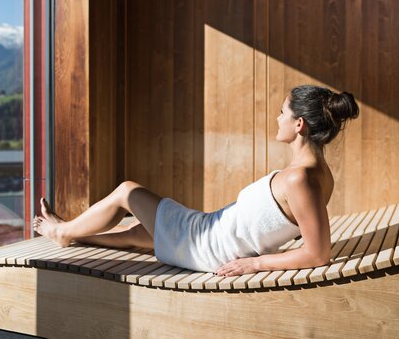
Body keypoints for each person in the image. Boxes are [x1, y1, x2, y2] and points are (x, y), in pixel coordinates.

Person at [33, 85, 360, 276]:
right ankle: (72, 235)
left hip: (207, 246)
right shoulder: (316, 173)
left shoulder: (300, 179)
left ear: (299, 124)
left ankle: (62, 231)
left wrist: (255, 264)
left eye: (282, 113)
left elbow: (318, 255)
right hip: (208, 232)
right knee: (135, 233)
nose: (277, 119)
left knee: (127, 192)